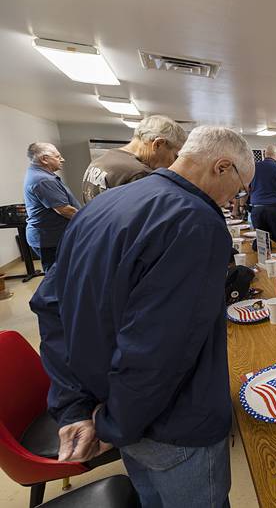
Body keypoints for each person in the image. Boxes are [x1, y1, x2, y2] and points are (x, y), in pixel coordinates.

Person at [31, 126, 255, 507]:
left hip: (115, 406)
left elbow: (51, 307)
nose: (235, 198)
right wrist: (112, 425)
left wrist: (75, 405)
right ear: (221, 167)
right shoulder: (197, 221)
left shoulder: (103, 205)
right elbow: (159, 349)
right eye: (238, 187)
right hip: (171, 424)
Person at [81, 115, 187, 203]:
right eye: (175, 155)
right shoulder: (139, 174)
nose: (174, 162)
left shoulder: (101, 161)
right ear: (158, 144)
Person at [23, 143, 80, 272]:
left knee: (62, 274)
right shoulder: (43, 180)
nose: (62, 159)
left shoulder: (38, 173)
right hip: (50, 240)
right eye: (58, 156)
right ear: (44, 159)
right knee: (56, 277)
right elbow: (64, 210)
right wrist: (90, 221)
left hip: (50, 237)